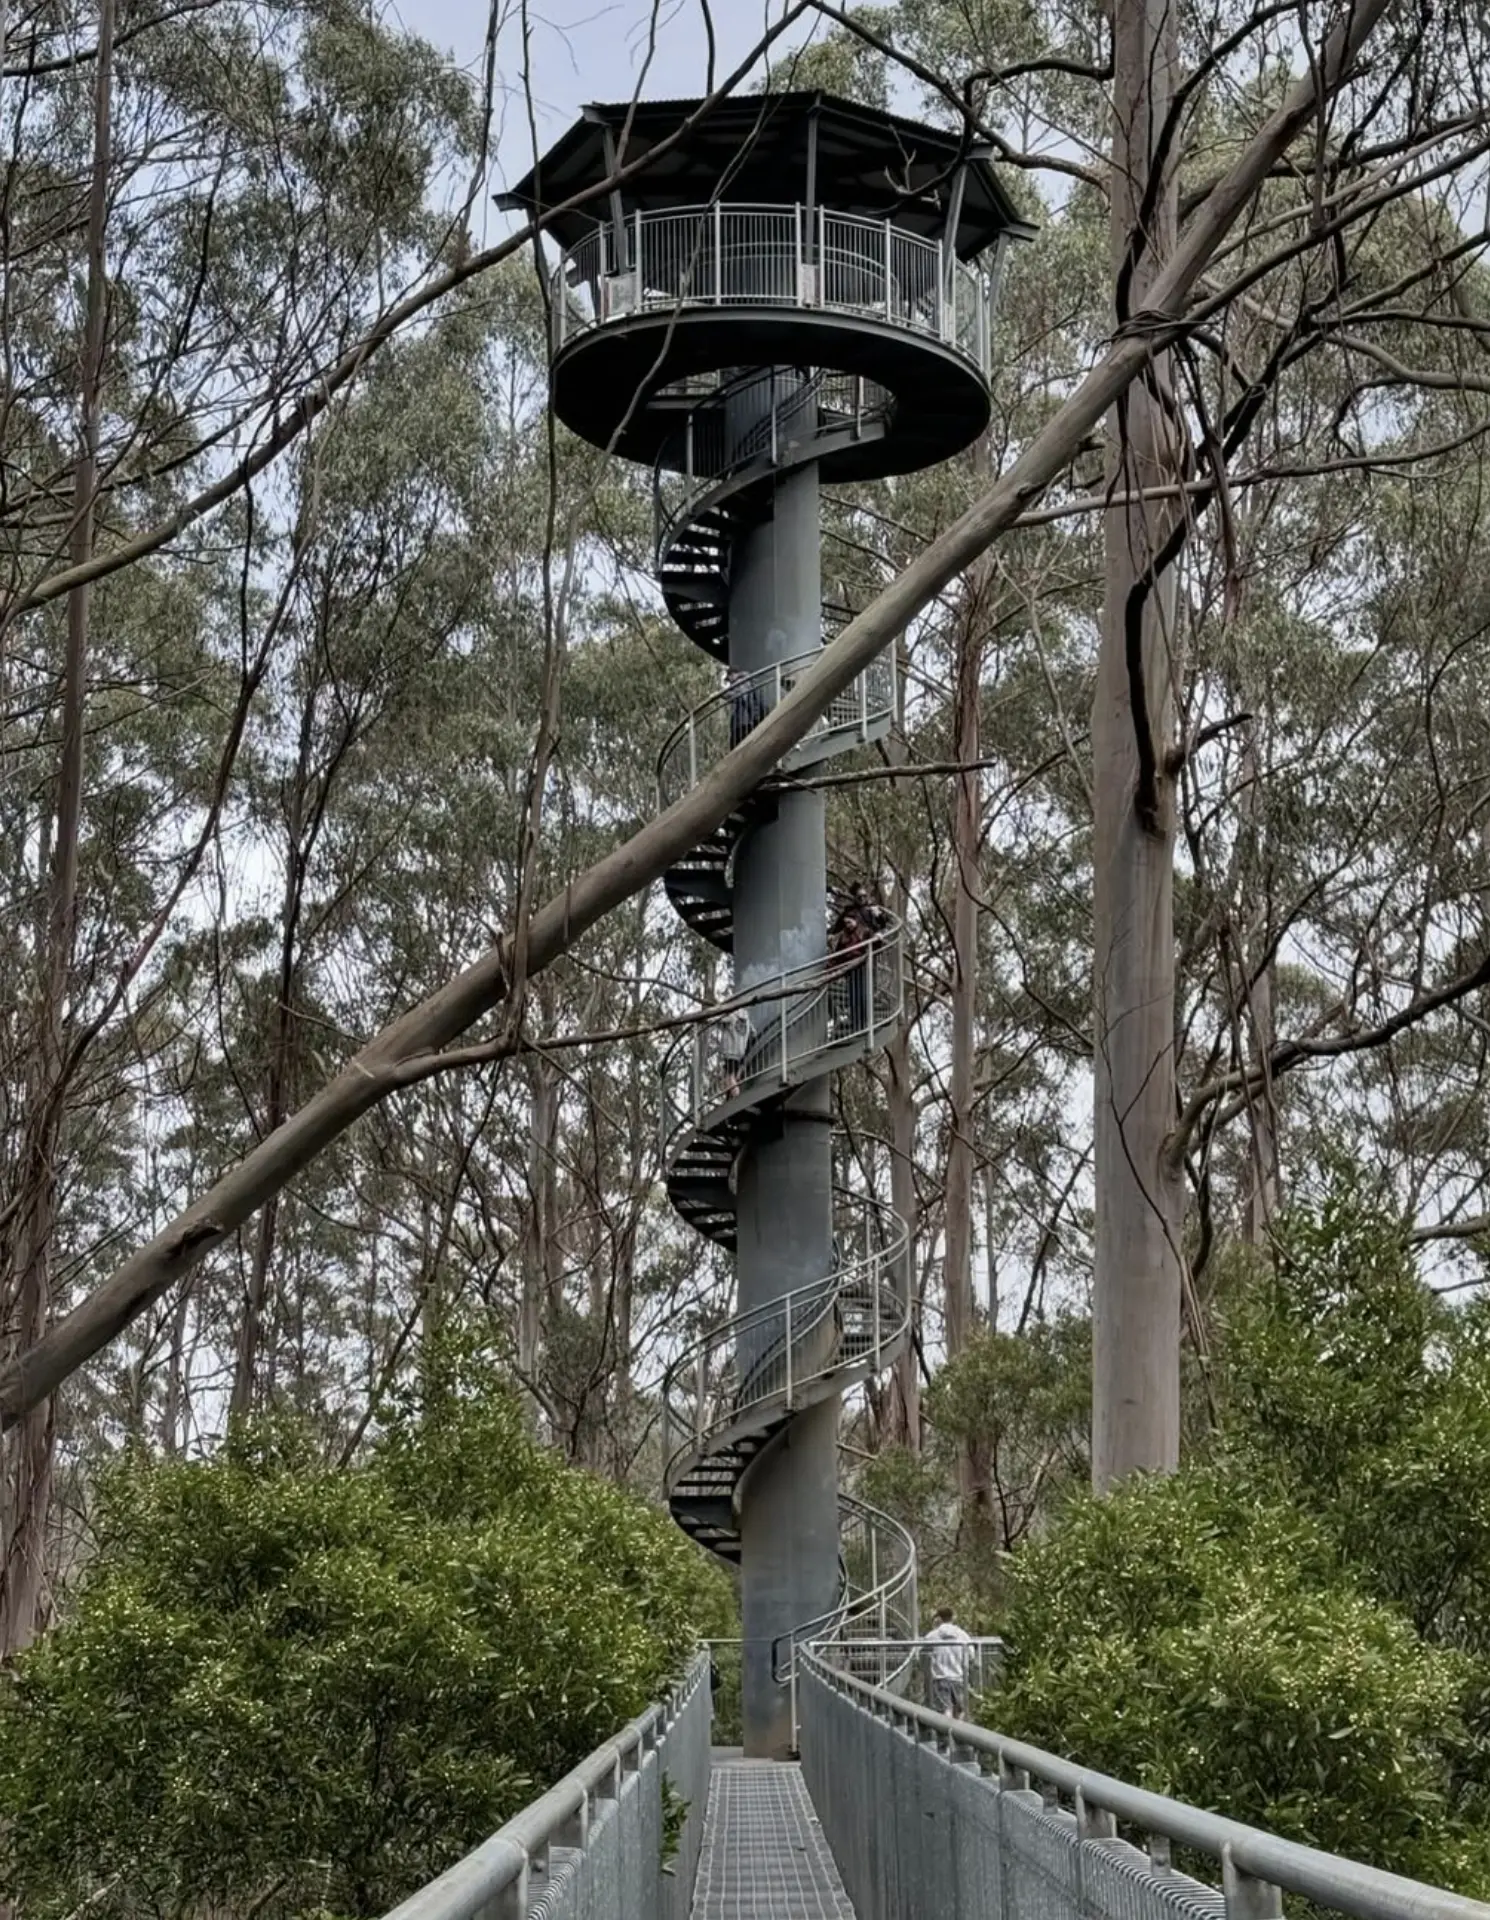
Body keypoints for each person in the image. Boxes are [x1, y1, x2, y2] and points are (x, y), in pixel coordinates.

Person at [924, 1607, 974, 1720]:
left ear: (939, 1619)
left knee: (945, 1710)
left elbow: (923, 1651)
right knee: (960, 1710)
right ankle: (960, 1733)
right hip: (958, 1677)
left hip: (940, 1677)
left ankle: (946, 1734)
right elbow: (971, 1655)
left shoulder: (933, 1635)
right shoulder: (962, 1635)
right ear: (953, 1617)